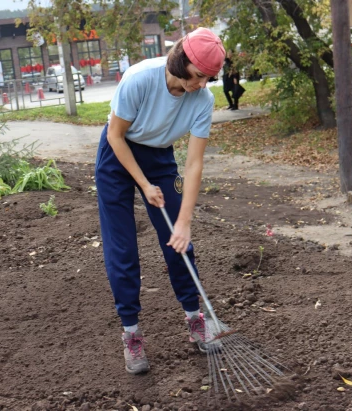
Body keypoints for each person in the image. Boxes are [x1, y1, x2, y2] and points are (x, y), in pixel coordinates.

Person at [94, 28, 225, 375]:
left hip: (159, 156)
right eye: (198, 76)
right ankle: (132, 334)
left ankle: (195, 319)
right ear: (182, 61)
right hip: (117, 157)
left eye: (208, 79)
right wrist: (144, 184)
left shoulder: (203, 100)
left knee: (179, 244)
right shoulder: (139, 79)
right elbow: (114, 135)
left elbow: (195, 163)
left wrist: (184, 221)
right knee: (122, 249)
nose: (201, 84)